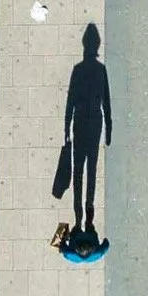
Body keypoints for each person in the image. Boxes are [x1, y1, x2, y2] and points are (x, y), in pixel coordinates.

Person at [64, 23, 111, 233]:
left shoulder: (78, 70)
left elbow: (70, 100)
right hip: (95, 124)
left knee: (78, 169)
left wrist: (66, 126)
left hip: (80, 121)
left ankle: (78, 214)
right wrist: (109, 127)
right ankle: (88, 211)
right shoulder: (101, 70)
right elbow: (107, 101)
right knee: (91, 168)